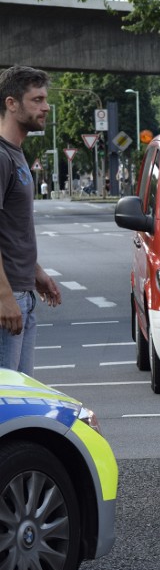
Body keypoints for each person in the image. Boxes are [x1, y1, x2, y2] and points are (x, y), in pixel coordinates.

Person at [0, 65, 62, 376]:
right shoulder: (1, 157)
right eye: (37, 99)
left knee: (18, 400)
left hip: (23, 293)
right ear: (12, 104)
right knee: (4, 403)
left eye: (45, 99)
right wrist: (4, 297)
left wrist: (34, 271)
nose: (46, 106)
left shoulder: (16, 154)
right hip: (7, 300)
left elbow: (11, 228)